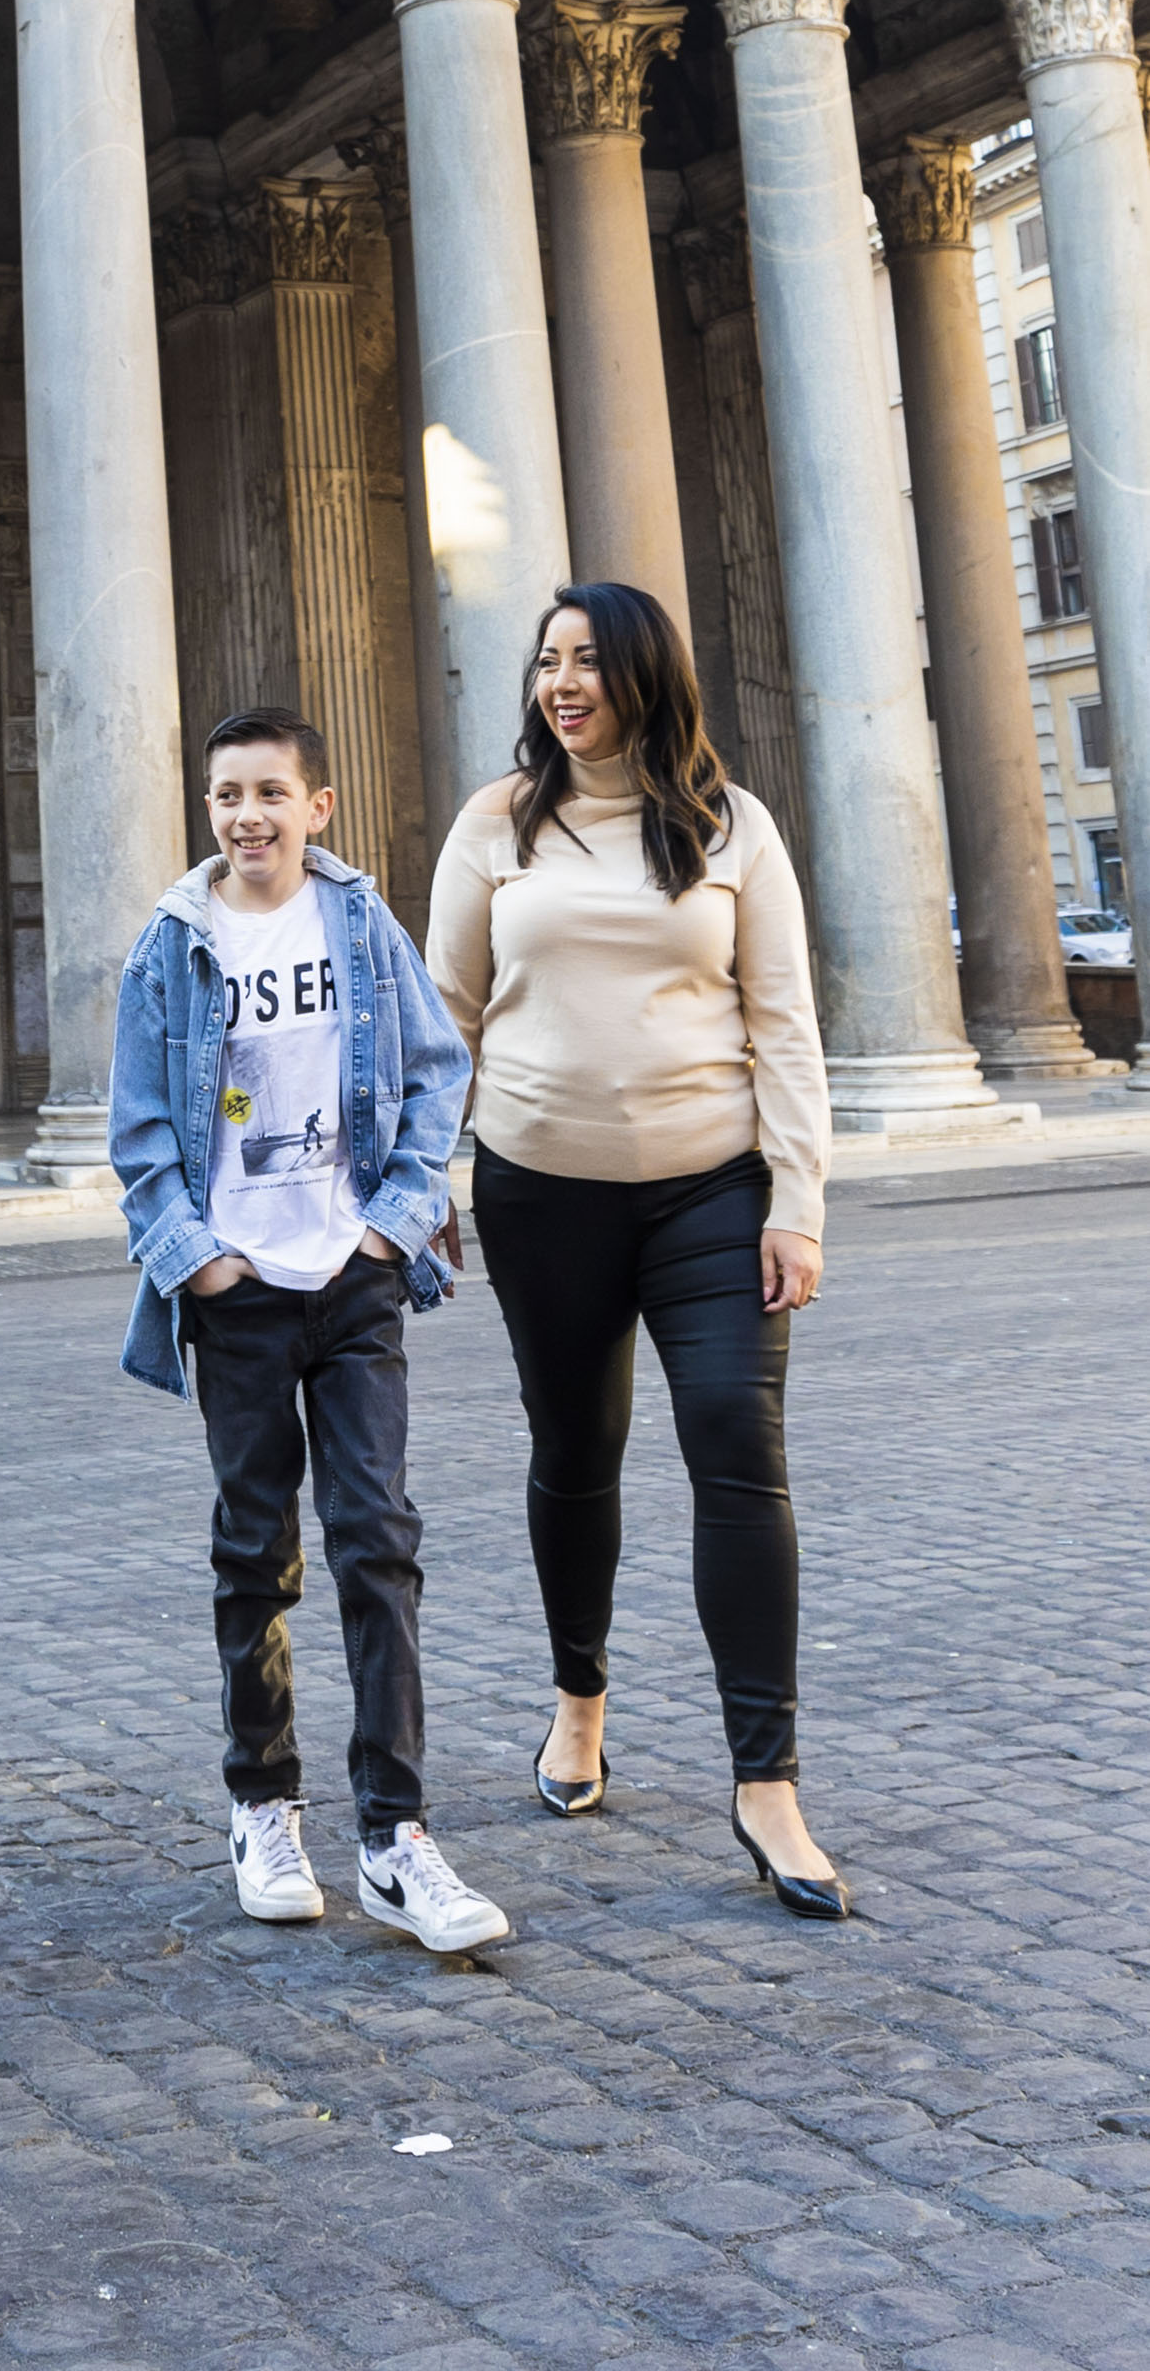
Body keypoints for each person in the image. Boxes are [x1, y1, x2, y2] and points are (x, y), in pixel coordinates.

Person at [427, 580, 845, 1918]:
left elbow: (779, 1019)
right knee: (572, 1448)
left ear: (641, 678)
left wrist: (795, 1200)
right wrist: (427, 1168)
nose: (559, 684)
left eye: (586, 663)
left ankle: (764, 1780)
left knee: (734, 1437)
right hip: (538, 1191)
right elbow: (446, 1011)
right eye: (545, 661)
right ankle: (577, 1700)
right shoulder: (494, 822)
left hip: (708, 1190)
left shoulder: (730, 827)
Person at [112, 705, 510, 1955]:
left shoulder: (360, 926)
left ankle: (394, 1834)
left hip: (352, 1280)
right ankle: (263, 1802)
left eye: (272, 792)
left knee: (378, 1538)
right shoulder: (170, 946)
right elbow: (141, 1134)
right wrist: (203, 1260)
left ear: (316, 807)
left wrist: (394, 1224)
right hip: (239, 1293)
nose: (248, 816)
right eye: (227, 795)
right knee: (253, 1548)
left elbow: (439, 1068)